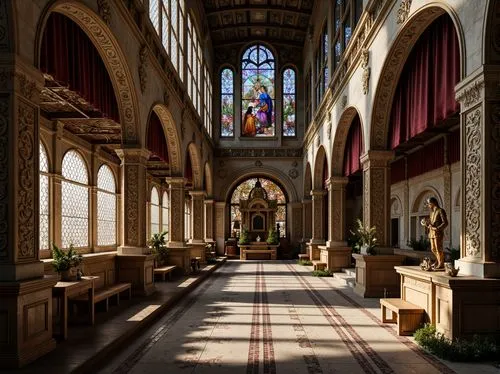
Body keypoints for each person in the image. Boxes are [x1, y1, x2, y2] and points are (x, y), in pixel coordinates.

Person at [424, 197, 448, 270]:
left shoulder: (440, 211)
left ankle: (441, 263)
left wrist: (437, 228)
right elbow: (432, 223)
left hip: (438, 233)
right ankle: (438, 261)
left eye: (428, 204)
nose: (428, 205)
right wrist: (426, 224)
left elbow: (445, 223)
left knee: (438, 248)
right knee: (433, 248)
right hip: (431, 233)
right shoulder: (432, 212)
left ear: (432, 203)